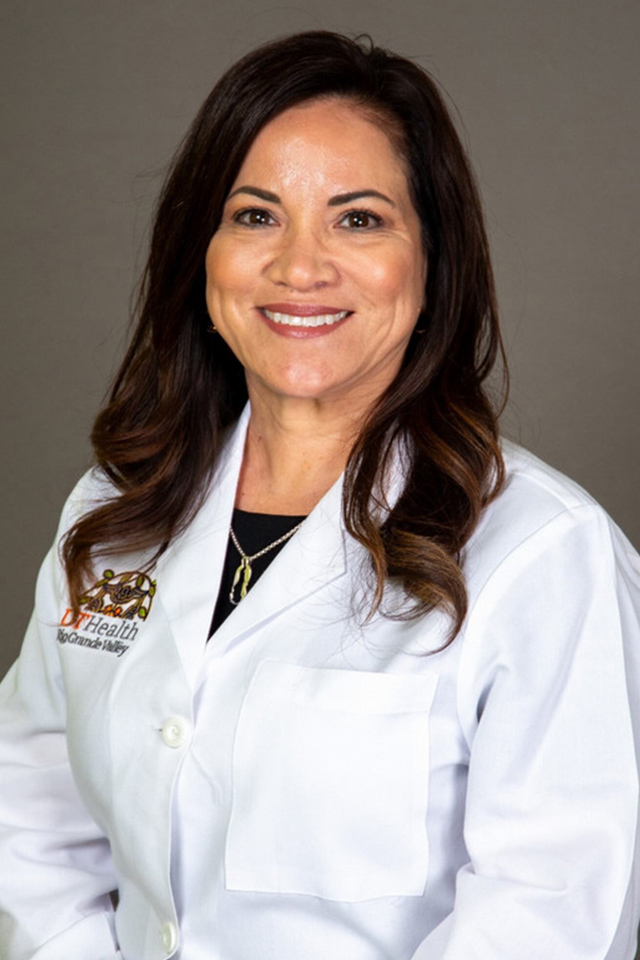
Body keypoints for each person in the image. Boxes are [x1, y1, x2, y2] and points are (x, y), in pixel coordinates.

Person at [1, 29, 639, 960]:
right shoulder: (115, 514)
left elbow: (550, 913)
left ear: (431, 263)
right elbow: (28, 811)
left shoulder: (544, 553)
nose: (301, 267)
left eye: (359, 219)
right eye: (256, 216)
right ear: (203, 252)